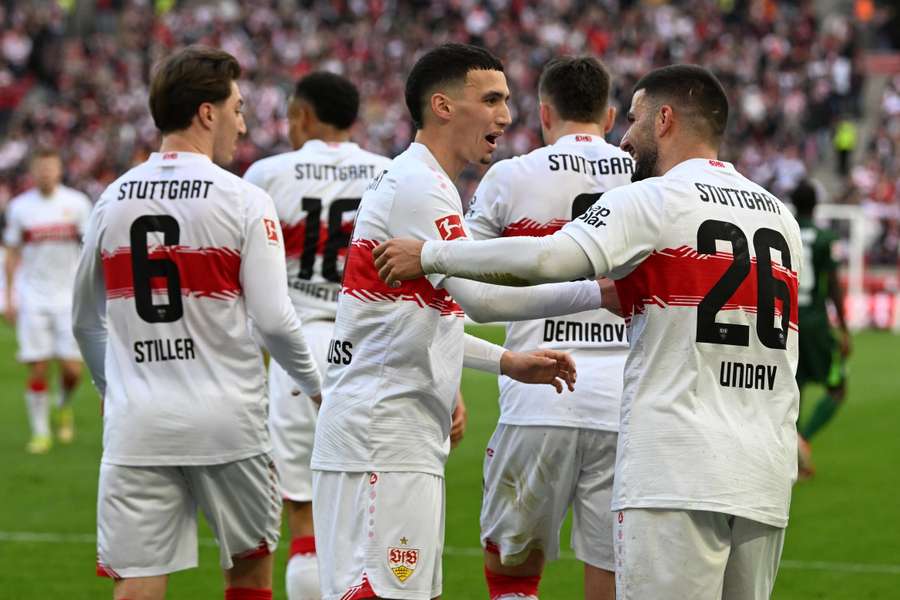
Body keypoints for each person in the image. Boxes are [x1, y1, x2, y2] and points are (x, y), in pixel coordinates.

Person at [374, 64, 803, 600]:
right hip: (763, 470)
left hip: (676, 465)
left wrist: (433, 253)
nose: (624, 137)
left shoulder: (654, 199)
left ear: (665, 120)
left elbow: (550, 257)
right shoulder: (780, 218)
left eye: (635, 118)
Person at [310, 43, 614, 600]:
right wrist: (595, 291)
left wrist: (506, 361)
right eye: (492, 99)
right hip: (383, 430)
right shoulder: (420, 186)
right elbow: (482, 300)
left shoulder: (424, 181)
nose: (506, 115)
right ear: (444, 106)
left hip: (392, 429)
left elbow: (428, 313)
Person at [72, 46, 323, 600]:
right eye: (236, 106)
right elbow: (276, 322)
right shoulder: (243, 199)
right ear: (206, 113)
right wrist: (314, 386)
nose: (243, 120)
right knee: (250, 573)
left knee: (137, 578)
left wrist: (112, 390)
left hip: (137, 425)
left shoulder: (110, 200)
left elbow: (85, 322)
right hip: (227, 423)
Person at [464, 56, 632, 600]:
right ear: (609, 117)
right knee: (609, 571)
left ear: (542, 113)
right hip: (626, 404)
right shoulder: (646, 178)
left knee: (512, 573)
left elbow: (460, 273)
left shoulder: (510, 176)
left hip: (539, 396)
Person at [243, 71, 394, 600]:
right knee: (363, 516)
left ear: (304, 116)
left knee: (304, 516)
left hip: (296, 351)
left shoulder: (267, 173)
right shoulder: (388, 172)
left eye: (289, 116)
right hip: (370, 351)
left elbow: (252, 281)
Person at [3, 147, 92, 453]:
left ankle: (63, 404)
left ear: (59, 170)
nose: (46, 173)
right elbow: (12, 253)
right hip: (33, 296)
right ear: (33, 172)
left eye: (51, 167)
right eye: (41, 168)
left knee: (72, 370)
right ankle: (40, 432)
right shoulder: (19, 208)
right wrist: (10, 297)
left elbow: (90, 250)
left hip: (68, 297)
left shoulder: (77, 203)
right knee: (38, 366)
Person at [791, 180, 851, 478]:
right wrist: (844, 329)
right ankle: (804, 440)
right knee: (838, 387)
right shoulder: (826, 238)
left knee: (795, 390)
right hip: (815, 324)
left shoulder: (783, 231)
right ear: (815, 205)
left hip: (785, 324)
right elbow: (834, 289)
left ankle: (795, 458)